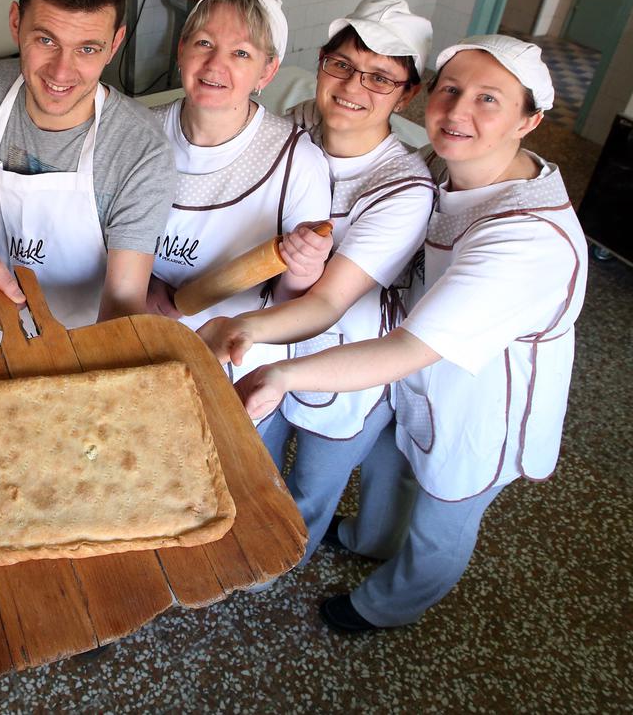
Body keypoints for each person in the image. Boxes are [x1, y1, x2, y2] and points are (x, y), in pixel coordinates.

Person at [231, 35, 587, 632]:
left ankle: (385, 606)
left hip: (480, 404)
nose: (458, 111)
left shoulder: (528, 237)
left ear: (530, 121)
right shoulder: (442, 166)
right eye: (451, 90)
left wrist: (281, 373)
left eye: (488, 99)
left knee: (441, 521)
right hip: (415, 376)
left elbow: (406, 349)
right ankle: (367, 538)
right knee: (389, 469)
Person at [199, 0, 436, 565]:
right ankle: (243, 547)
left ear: (407, 94)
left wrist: (237, 327)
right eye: (341, 65)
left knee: (312, 482)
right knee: (251, 460)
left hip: (343, 361)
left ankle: (285, 559)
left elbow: (329, 301)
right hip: (264, 340)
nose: (353, 87)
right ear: (322, 63)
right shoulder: (297, 123)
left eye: (380, 77)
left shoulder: (404, 188)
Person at [0, 0, 176, 333]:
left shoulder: (140, 150)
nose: (61, 72)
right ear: (16, 23)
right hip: (4, 333)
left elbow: (122, 303)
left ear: (114, 45)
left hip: (93, 342)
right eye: (46, 41)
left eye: (87, 49)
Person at [144, 0, 331, 379]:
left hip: (233, 361)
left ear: (268, 71)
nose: (215, 65)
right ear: (181, 50)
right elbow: (95, 236)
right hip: (138, 336)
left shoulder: (296, 162)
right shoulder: (139, 132)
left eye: (241, 53)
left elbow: (292, 301)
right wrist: (142, 283)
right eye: (204, 43)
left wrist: (304, 268)